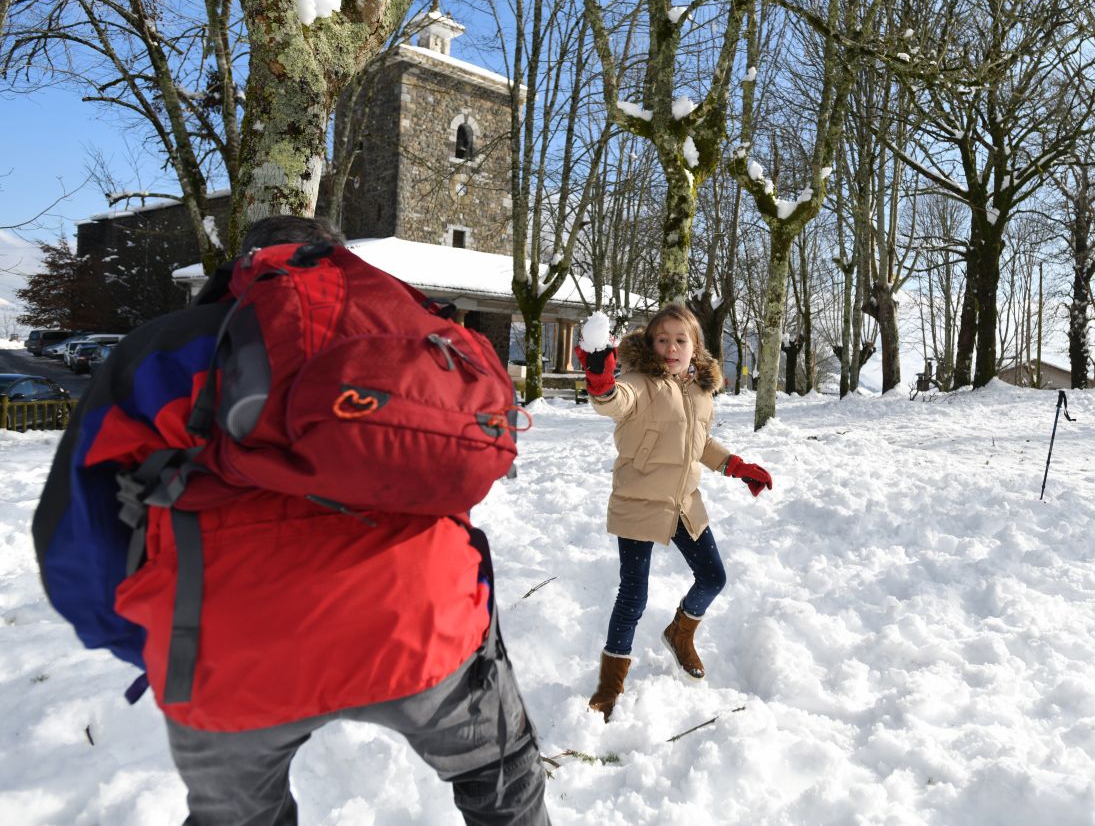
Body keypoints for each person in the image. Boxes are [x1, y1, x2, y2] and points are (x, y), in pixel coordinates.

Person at [32, 216, 549, 826]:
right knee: (503, 778)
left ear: (245, 261)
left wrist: (155, 643)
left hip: (224, 647)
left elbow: (72, 538)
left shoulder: (163, 349)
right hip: (424, 625)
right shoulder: (421, 333)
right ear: (340, 254)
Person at [575, 304, 773, 721]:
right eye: (662, 339)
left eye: (680, 340)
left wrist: (736, 466)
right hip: (640, 502)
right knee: (633, 596)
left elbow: (698, 443)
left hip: (684, 502)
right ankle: (609, 687)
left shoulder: (701, 391)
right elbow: (613, 400)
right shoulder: (640, 383)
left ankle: (679, 633)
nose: (670, 347)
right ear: (651, 344)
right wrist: (599, 380)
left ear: (695, 346)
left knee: (714, 577)